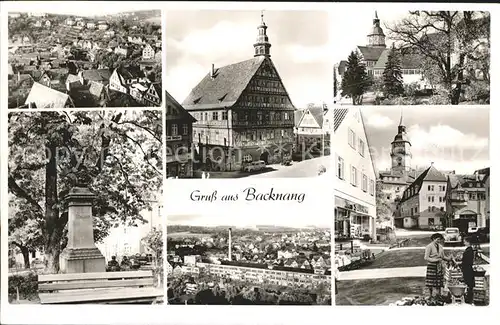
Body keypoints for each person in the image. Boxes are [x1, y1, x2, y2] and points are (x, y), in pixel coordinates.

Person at [424, 233, 453, 298]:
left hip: (439, 266)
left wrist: (449, 259)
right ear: (433, 239)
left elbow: (442, 256)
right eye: (437, 239)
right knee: (430, 282)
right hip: (432, 265)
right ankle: (430, 295)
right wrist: (435, 260)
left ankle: (439, 295)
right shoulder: (429, 246)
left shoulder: (440, 246)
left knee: (439, 281)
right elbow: (426, 257)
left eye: (440, 240)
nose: (439, 241)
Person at [461, 236, 475, 304]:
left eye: (465, 241)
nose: (464, 242)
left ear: (468, 242)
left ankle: (469, 298)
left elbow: (466, 261)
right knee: (469, 283)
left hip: (467, 269)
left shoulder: (469, 250)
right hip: (467, 268)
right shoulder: (469, 249)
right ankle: (469, 297)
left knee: (468, 283)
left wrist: (461, 264)